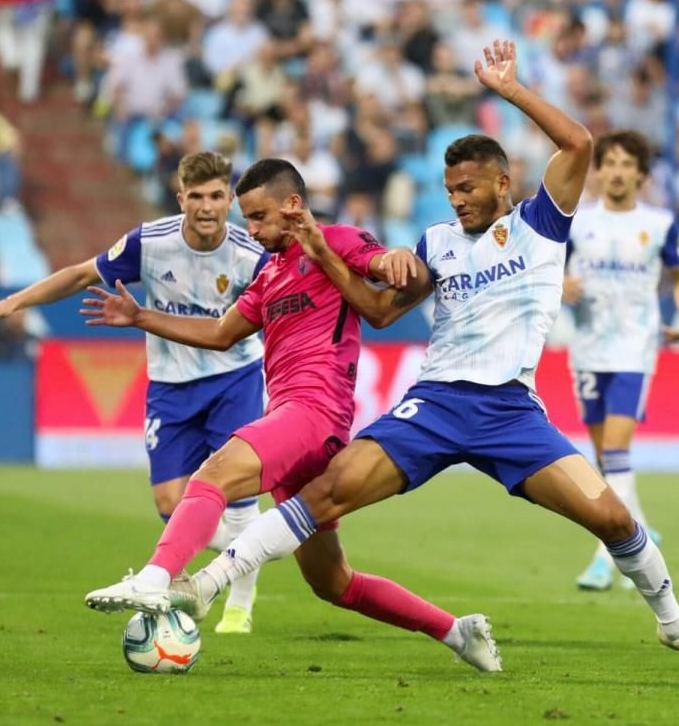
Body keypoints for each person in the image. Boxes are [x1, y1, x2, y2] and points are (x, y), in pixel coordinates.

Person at [169, 41, 679, 679]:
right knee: (325, 492)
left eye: (467, 188)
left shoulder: (540, 225)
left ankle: (678, 628)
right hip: (436, 402)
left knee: (612, 516)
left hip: (510, 411)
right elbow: (381, 311)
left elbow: (579, 143)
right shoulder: (437, 242)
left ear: (503, 183)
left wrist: (510, 90)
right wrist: (324, 253)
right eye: (449, 191)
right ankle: (208, 584)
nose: (457, 200)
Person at [80, 157, 502, 672]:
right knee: (334, 584)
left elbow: (397, 272)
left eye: (258, 217)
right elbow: (220, 334)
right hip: (297, 425)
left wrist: (397, 259)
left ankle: (155, 577)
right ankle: (458, 634)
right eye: (248, 219)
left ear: (293, 206)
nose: (251, 230)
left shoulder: (338, 240)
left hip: (315, 412)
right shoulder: (269, 275)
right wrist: (140, 316)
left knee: (212, 475)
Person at [0, 152, 268, 633]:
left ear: (230, 198)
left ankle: (237, 607)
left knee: (239, 497)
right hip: (170, 385)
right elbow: (83, 273)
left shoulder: (252, 253)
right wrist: (16, 300)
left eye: (216, 196)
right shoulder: (150, 243)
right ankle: (263, 538)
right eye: (197, 197)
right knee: (171, 503)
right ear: (179, 195)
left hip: (237, 380)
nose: (207, 207)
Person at [563, 130, 679, 591]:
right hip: (587, 347)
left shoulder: (659, 224)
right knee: (604, 459)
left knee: (617, 452)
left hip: (634, 348)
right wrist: (561, 288)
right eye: (610, 163)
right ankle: (641, 525)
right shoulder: (577, 224)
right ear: (598, 170)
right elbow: (549, 274)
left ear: (640, 175)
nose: (617, 171)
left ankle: (606, 557)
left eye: (627, 164)